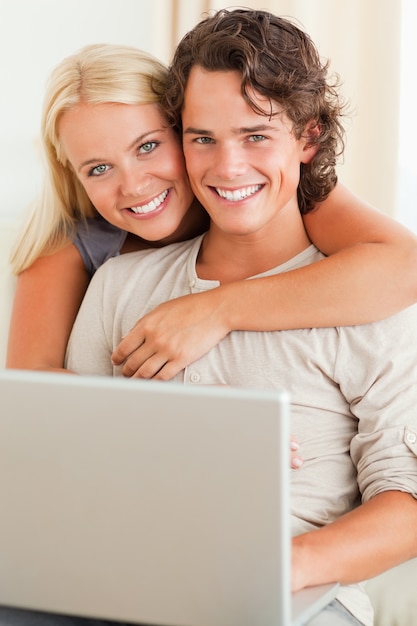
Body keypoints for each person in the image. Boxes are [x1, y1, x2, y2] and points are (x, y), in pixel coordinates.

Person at [64, 9, 417, 626]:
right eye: (203, 137)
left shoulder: (371, 300)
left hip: (287, 598)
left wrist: (289, 564)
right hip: (119, 582)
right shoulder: (120, 285)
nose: (226, 167)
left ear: (307, 139)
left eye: (256, 135)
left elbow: (406, 498)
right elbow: (58, 456)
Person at [6, 42, 417, 381]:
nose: (133, 185)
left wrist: (214, 308)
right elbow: (30, 393)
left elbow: (405, 265)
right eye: (98, 168)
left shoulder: (259, 189)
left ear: (184, 129)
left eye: (148, 146)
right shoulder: (75, 245)